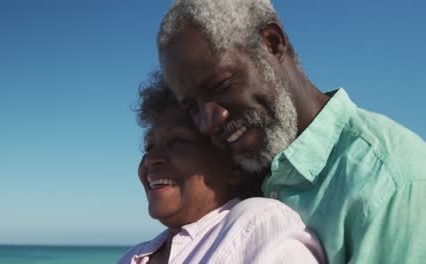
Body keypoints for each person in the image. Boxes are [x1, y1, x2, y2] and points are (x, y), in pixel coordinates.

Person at [156, 0, 426, 263]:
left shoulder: (389, 180)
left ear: (272, 43)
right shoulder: (241, 169)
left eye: (221, 85)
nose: (208, 123)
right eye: (192, 107)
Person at [117, 72, 325, 263]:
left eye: (178, 141)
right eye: (149, 146)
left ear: (234, 166)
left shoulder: (259, 223)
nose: (151, 158)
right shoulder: (134, 256)